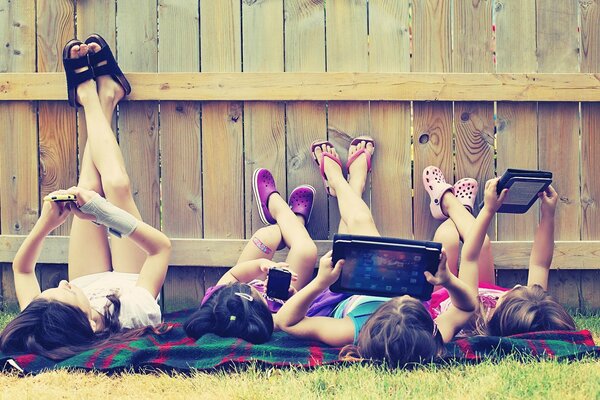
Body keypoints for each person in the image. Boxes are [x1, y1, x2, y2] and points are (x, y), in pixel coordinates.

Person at [0, 35, 171, 360]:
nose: (62, 283)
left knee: (89, 183)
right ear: (89, 324)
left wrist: (47, 223)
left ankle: (104, 98)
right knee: (116, 185)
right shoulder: (132, 315)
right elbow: (160, 249)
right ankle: (92, 98)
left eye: (54, 290)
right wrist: (102, 213)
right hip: (131, 278)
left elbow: (21, 270)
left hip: (89, 278)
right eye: (64, 292)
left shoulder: (47, 320)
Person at [276, 138, 486, 368]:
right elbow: (467, 307)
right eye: (408, 297)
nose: (399, 295)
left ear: (370, 323)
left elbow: (287, 322)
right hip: (383, 279)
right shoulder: (431, 337)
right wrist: (447, 280)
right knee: (354, 233)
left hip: (348, 291)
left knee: (360, 223)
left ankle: (337, 180)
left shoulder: (349, 331)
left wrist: (320, 282)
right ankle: (352, 186)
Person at [423, 166, 576, 336]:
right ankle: (462, 208)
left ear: (503, 313)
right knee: (482, 244)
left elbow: (470, 256)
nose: (516, 285)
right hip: (484, 290)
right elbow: (540, 264)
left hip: (449, 295)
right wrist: (548, 214)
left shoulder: (471, 313)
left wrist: (489, 210)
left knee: (449, 236)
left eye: (515, 290)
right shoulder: (530, 309)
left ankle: (448, 201)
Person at [184, 169, 321, 344]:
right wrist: (291, 295)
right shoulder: (271, 321)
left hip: (252, 274)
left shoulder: (217, 301)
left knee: (268, 235)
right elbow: (296, 312)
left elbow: (235, 274)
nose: (257, 287)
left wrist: (261, 265)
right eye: (258, 293)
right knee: (307, 250)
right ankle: (291, 217)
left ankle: (279, 211)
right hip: (281, 299)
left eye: (246, 286)